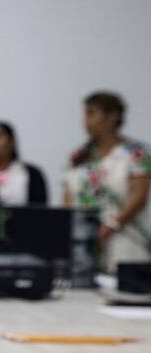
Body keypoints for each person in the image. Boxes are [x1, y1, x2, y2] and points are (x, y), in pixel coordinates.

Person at [64, 91, 151, 271]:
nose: (85, 121)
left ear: (112, 117)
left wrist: (109, 227)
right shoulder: (79, 157)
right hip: (83, 247)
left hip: (125, 242)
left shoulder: (136, 153)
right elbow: (68, 198)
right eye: (85, 114)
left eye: (91, 113)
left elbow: (139, 196)